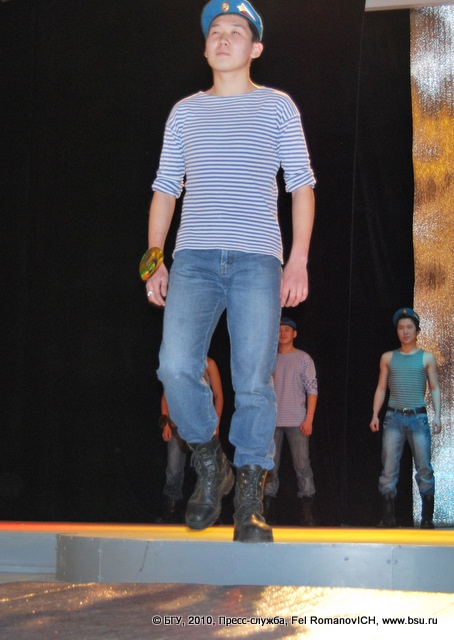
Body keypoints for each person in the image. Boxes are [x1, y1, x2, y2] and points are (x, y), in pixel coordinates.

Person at [143, 0, 315, 543]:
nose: (222, 37)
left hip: (257, 259)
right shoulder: (185, 112)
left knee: (254, 382)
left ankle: (249, 496)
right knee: (175, 367)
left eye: (235, 31)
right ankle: (208, 457)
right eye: (214, 31)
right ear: (205, 48)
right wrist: (154, 259)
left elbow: (301, 186)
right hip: (193, 259)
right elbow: (165, 189)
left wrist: (298, 259)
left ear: (255, 48)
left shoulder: (278, 106)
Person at [369, 308, 442, 528]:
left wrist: (438, 415)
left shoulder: (427, 358)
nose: (405, 332)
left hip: (418, 417)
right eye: (401, 328)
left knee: (424, 466)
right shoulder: (388, 357)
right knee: (389, 467)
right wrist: (375, 414)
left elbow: (435, 388)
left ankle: (427, 517)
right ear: (397, 331)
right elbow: (381, 388)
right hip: (393, 417)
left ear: (417, 331)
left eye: (409, 327)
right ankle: (388, 517)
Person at [155, 357, 223, 523]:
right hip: (178, 425)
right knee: (174, 469)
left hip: (201, 427)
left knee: (204, 469)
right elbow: (166, 396)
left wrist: (216, 423)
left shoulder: (209, 364)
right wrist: (165, 424)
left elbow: (219, 396)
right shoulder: (178, 361)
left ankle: (206, 510)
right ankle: (171, 506)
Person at [264, 317, 318, 526]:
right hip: (272, 420)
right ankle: (267, 511)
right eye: (280, 330)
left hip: (297, 419)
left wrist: (309, 418)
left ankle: (307, 512)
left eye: (287, 329)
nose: (283, 333)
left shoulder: (303, 358)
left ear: (294, 334)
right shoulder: (269, 359)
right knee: (270, 467)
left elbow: (312, 390)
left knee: (302, 465)